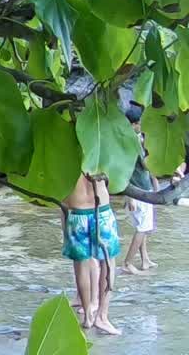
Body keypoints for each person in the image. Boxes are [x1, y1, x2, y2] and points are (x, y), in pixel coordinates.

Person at [62, 173, 121, 335]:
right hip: (101, 210)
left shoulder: (67, 159)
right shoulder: (98, 158)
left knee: (81, 265)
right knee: (108, 262)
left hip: (77, 211)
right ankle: (102, 316)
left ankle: (88, 315)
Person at [121, 118, 157, 273]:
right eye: (140, 123)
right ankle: (127, 263)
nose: (142, 126)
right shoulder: (133, 141)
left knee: (142, 225)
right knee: (143, 228)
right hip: (138, 191)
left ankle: (145, 259)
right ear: (133, 124)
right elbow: (145, 165)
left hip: (139, 189)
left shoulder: (132, 139)